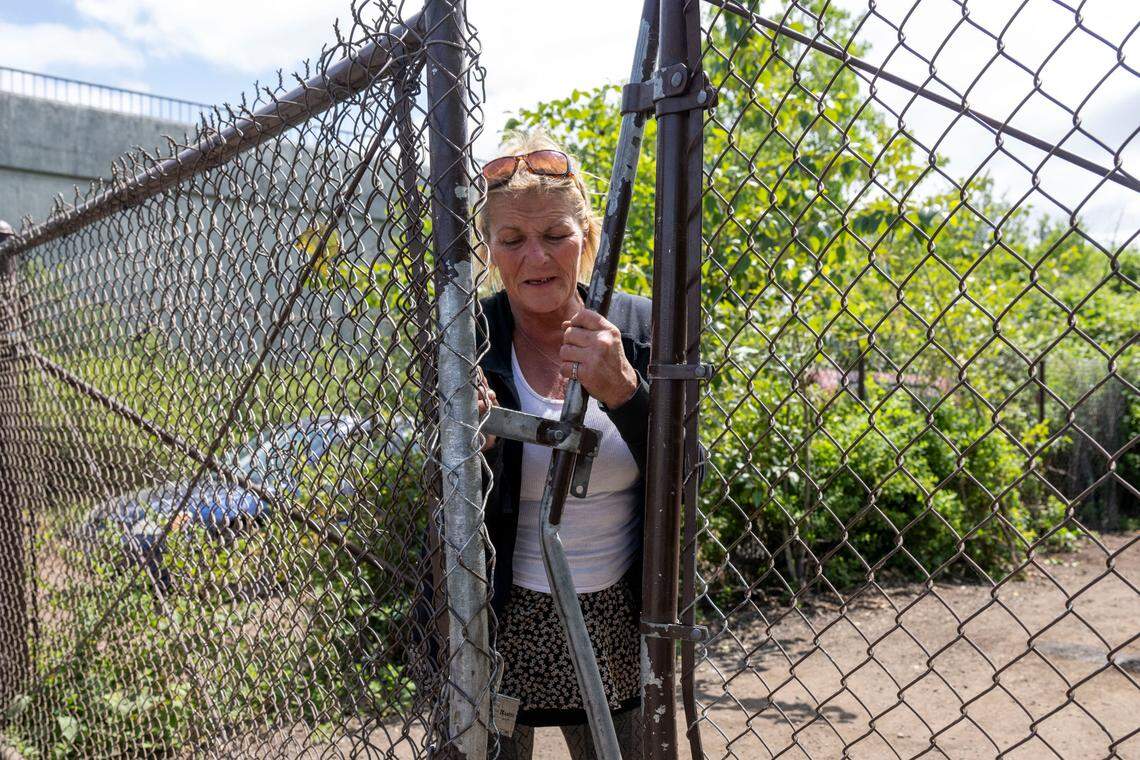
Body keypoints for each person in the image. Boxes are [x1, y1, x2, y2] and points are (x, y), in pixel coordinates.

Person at [474, 129, 651, 759]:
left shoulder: (639, 325)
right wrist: (471, 445)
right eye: (512, 240)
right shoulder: (470, 335)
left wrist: (627, 393)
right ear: (490, 251)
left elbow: (689, 474)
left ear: (587, 238)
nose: (536, 257)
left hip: (619, 612)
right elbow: (442, 486)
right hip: (499, 611)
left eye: (555, 235)